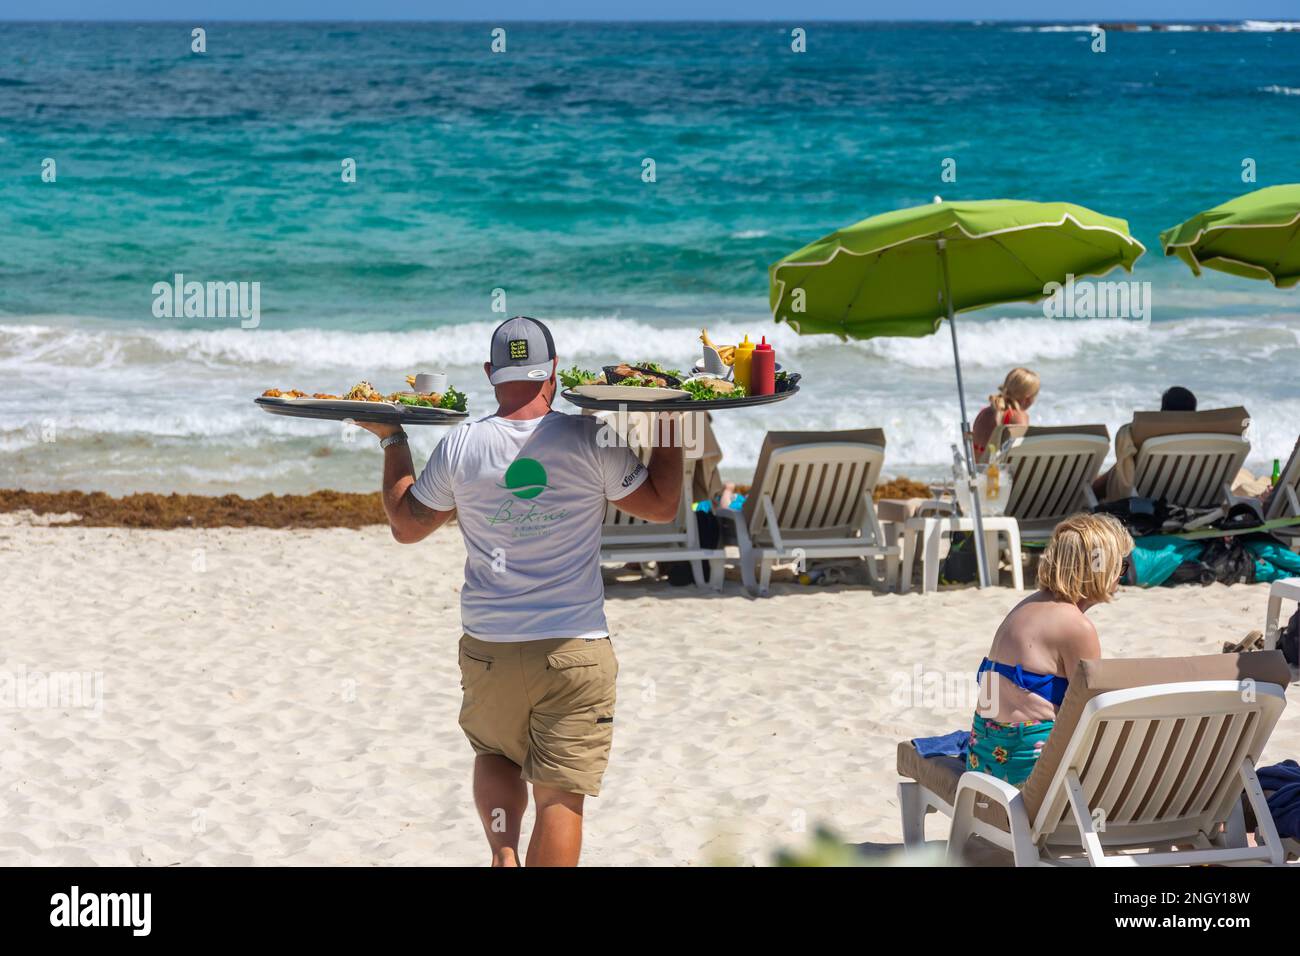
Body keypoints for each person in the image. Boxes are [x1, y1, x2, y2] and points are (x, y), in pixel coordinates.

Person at [356, 316, 684, 867]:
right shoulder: (589, 435)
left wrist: (392, 438)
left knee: (496, 753)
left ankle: (504, 853)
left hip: (491, 646)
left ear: (490, 374)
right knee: (559, 794)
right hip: (573, 647)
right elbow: (659, 505)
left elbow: (407, 526)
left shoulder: (462, 443)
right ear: (554, 371)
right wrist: (672, 427)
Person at [966, 513, 1133, 787]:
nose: (1121, 575)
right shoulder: (1076, 627)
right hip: (1027, 767)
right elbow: (1091, 711)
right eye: (1120, 565)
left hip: (984, 755)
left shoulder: (1025, 607)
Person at [1093, 386, 1197, 502]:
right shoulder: (1205, 441)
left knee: (1125, 464)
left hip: (1144, 495)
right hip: (1190, 494)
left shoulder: (1141, 435)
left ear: (1163, 409)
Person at [971, 368, 1040, 462]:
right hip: (999, 475)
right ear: (1028, 399)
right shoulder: (1019, 417)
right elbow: (1021, 457)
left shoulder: (983, 413)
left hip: (978, 473)